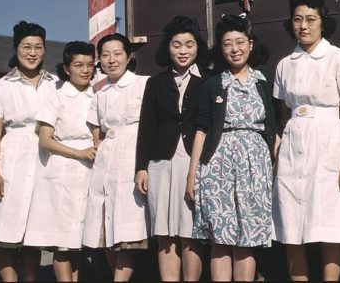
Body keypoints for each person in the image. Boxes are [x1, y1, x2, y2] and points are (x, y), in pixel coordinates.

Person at [273, 0, 340, 281]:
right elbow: (283, 115)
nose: (304, 26)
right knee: (292, 228)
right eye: (298, 19)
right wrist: (279, 155)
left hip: (329, 142)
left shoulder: (339, 58)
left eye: (311, 19)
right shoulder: (284, 64)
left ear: (322, 23)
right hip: (293, 145)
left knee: (329, 226)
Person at [185, 14, 277, 282]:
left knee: (247, 237)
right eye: (228, 44)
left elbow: (274, 126)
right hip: (218, 164)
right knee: (220, 237)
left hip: (255, 165)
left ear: (250, 44)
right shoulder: (213, 83)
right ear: (221, 49)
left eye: (240, 42)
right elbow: (201, 129)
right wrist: (193, 175)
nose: (235, 49)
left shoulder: (264, 81)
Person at [0, 20, 57, 282]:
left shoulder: (55, 84)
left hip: (45, 159)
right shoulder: (2, 86)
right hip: (12, 159)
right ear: (16, 48)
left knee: (31, 233)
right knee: (6, 233)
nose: (32, 52)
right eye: (26, 46)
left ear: (44, 50)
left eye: (38, 47)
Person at [134, 16, 211, 281]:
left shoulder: (209, 81)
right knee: (165, 234)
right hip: (160, 164)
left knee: (189, 233)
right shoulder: (155, 83)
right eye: (176, 44)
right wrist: (141, 168)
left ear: (198, 47)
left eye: (189, 44)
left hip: (193, 163)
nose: (183, 50)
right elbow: (146, 127)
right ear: (167, 47)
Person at [24, 41, 98, 281]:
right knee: (61, 242)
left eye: (89, 65)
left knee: (77, 238)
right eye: (78, 65)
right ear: (67, 69)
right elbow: (45, 141)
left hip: (89, 169)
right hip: (61, 170)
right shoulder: (56, 97)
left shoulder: (97, 95)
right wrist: (78, 153)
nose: (85, 70)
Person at [82, 33, 149, 282]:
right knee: (105, 228)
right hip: (105, 161)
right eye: (106, 55)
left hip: (132, 157)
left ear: (128, 55)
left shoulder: (143, 84)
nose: (111, 60)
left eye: (117, 53)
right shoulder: (99, 91)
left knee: (127, 230)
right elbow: (95, 131)